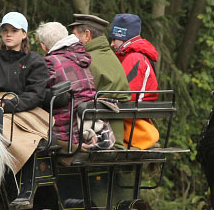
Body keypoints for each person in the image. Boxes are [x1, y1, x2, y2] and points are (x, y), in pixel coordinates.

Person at [0, 12, 50, 171]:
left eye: (14, 30)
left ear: (24, 34)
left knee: (3, 134)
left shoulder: (35, 62)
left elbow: (35, 94)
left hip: (25, 111)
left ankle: (6, 171)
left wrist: (8, 105)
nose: (8, 34)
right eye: (5, 30)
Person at [36, 21, 103, 148]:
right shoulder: (82, 57)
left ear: (44, 46)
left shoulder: (50, 63)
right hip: (88, 129)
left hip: (67, 134)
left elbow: (36, 94)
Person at [68, 13, 131, 144]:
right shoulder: (111, 57)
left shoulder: (85, 61)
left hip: (99, 139)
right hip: (117, 138)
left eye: (74, 36)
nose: (71, 41)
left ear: (87, 35)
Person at [109, 13, 162, 149]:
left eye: (115, 39)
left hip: (132, 124)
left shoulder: (135, 59)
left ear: (124, 38)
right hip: (133, 119)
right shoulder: (133, 56)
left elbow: (125, 95)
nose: (112, 44)